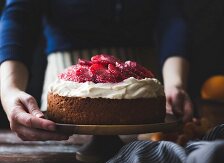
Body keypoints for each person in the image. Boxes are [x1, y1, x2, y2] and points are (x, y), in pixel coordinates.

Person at [0, 0, 193, 141]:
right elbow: (18, 16)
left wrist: (175, 83)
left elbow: (172, 18)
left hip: (141, 86)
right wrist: (10, 89)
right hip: (69, 82)